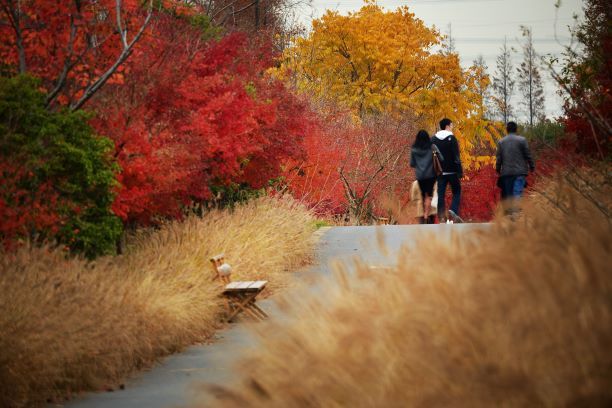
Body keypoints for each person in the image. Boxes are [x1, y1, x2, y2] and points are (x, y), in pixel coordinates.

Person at [495, 121, 535, 206]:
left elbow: (499, 158)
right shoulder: (522, 140)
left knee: (509, 195)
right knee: (517, 193)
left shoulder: (501, 142)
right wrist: (532, 166)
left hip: (506, 173)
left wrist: (498, 169)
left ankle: (510, 214)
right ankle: (516, 213)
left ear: (507, 130)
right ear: (516, 129)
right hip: (520, 172)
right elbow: (528, 155)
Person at [431, 118, 463, 223]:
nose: (452, 127)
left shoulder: (433, 139)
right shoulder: (452, 138)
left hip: (440, 172)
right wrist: (459, 171)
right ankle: (453, 210)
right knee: (457, 191)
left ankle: (441, 217)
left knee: (440, 194)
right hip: (452, 171)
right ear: (447, 126)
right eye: (452, 125)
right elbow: (456, 156)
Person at [410, 130, 441, 224]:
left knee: (424, 195)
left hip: (420, 176)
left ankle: (424, 213)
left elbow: (412, 164)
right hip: (431, 175)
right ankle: (427, 214)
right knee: (430, 195)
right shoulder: (432, 147)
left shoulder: (414, 149)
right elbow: (441, 158)